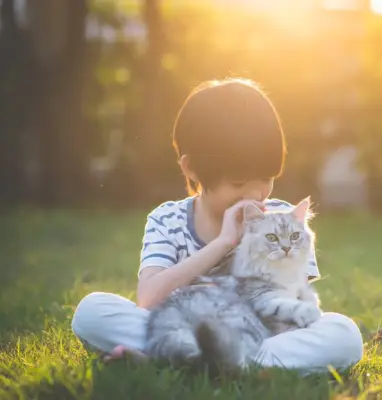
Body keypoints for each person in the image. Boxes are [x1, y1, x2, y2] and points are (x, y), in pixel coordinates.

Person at [70, 78, 364, 374]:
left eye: (266, 179)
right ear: (191, 168)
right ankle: (236, 366)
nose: (255, 195)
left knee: (344, 334)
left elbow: (291, 312)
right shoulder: (166, 220)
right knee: (91, 312)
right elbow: (148, 299)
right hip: (183, 327)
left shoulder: (283, 221)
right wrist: (222, 243)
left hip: (260, 335)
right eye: (237, 182)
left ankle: (183, 363)